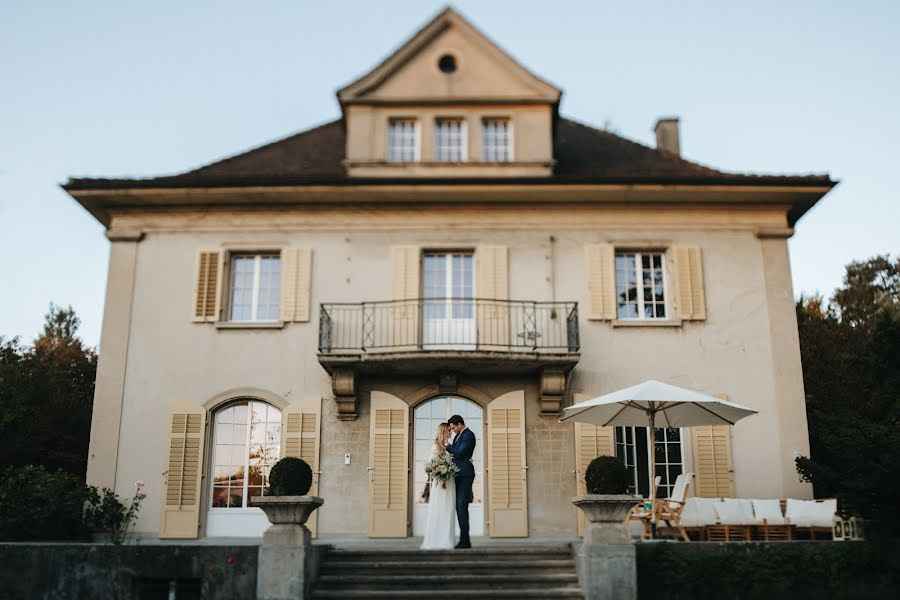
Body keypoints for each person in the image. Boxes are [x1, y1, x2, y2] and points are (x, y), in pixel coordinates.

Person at [420, 422, 456, 550]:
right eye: (448, 431)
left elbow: (454, 462)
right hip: (439, 484)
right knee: (439, 509)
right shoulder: (435, 447)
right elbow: (430, 466)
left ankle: (447, 540)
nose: (451, 432)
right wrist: (439, 471)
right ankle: (435, 540)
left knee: (449, 510)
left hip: (450, 482)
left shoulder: (450, 447)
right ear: (443, 431)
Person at [446, 414, 476, 549]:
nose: (452, 431)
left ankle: (465, 541)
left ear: (459, 424)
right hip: (458, 475)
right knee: (459, 507)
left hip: (465, 475)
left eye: (453, 428)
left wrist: (446, 445)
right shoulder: (459, 436)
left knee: (462, 506)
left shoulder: (468, 435)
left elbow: (458, 453)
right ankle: (463, 540)